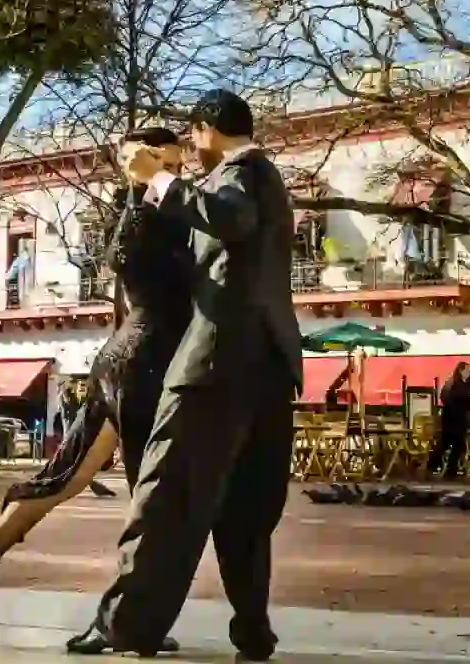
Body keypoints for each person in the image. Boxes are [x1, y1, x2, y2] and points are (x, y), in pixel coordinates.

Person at [0, 128, 196, 653]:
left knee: (61, 480)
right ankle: (125, 622)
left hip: (123, 358)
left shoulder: (138, 211)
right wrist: (151, 186)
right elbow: (145, 266)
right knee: (153, 500)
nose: (179, 163)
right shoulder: (158, 210)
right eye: (169, 154)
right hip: (150, 363)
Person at [68, 89, 302, 661]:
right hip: (272, 367)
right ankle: (253, 630)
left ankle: (125, 625)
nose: (193, 153)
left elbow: (229, 218)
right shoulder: (272, 182)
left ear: (207, 129)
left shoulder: (239, 175)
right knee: (247, 509)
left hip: (216, 364)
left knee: (164, 494)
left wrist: (159, 181)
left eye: (194, 140)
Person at [428, 362, 470, 479]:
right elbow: (451, 399)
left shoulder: (456, 384)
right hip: (454, 419)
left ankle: (444, 468)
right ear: (461, 371)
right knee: (452, 445)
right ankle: (440, 467)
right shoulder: (456, 385)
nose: (469, 373)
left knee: (454, 446)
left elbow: (444, 398)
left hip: (454, 418)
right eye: (467, 371)